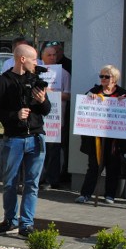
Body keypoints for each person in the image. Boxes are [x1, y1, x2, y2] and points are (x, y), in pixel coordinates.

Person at [0, 44, 50, 237]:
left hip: (36, 137)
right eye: (33, 59)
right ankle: (10, 220)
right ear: (22, 59)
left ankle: (26, 224)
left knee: (32, 183)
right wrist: (15, 115)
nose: (36, 63)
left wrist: (42, 102)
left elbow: (46, 110)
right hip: (14, 138)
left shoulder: (36, 81)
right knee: (10, 182)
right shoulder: (3, 82)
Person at [75, 65, 126, 205]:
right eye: (101, 76)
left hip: (114, 140)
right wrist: (90, 98)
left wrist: (123, 103)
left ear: (115, 79)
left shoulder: (123, 94)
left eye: (107, 76)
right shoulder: (94, 91)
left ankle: (110, 195)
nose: (103, 79)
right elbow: (84, 106)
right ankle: (85, 194)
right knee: (94, 166)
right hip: (96, 139)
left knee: (113, 167)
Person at [39, 44, 71, 189]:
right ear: (42, 57)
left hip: (56, 118)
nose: (52, 57)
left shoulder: (63, 73)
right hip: (39, 117)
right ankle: (40, 178)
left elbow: (68, 95)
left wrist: (52, 93)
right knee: (39, 148)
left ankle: (53, 180)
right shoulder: (36, 72)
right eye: (49, 55)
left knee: (54, 150)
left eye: (54, 55)